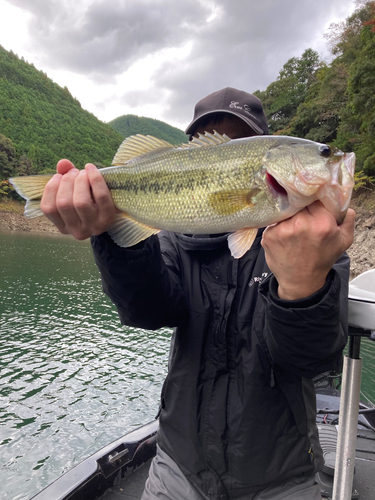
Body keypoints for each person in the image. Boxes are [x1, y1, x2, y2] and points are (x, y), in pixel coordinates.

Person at [41, 87, 355, 500]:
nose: (219, 154)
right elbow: (147, 309)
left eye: (238, 142)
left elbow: (316, 360)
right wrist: (111, 236)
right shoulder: (173, 238)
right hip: (178, 466)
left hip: (283, 476)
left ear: (264, 152)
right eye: (204, 144)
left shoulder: (318, 241)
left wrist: (301, 286)